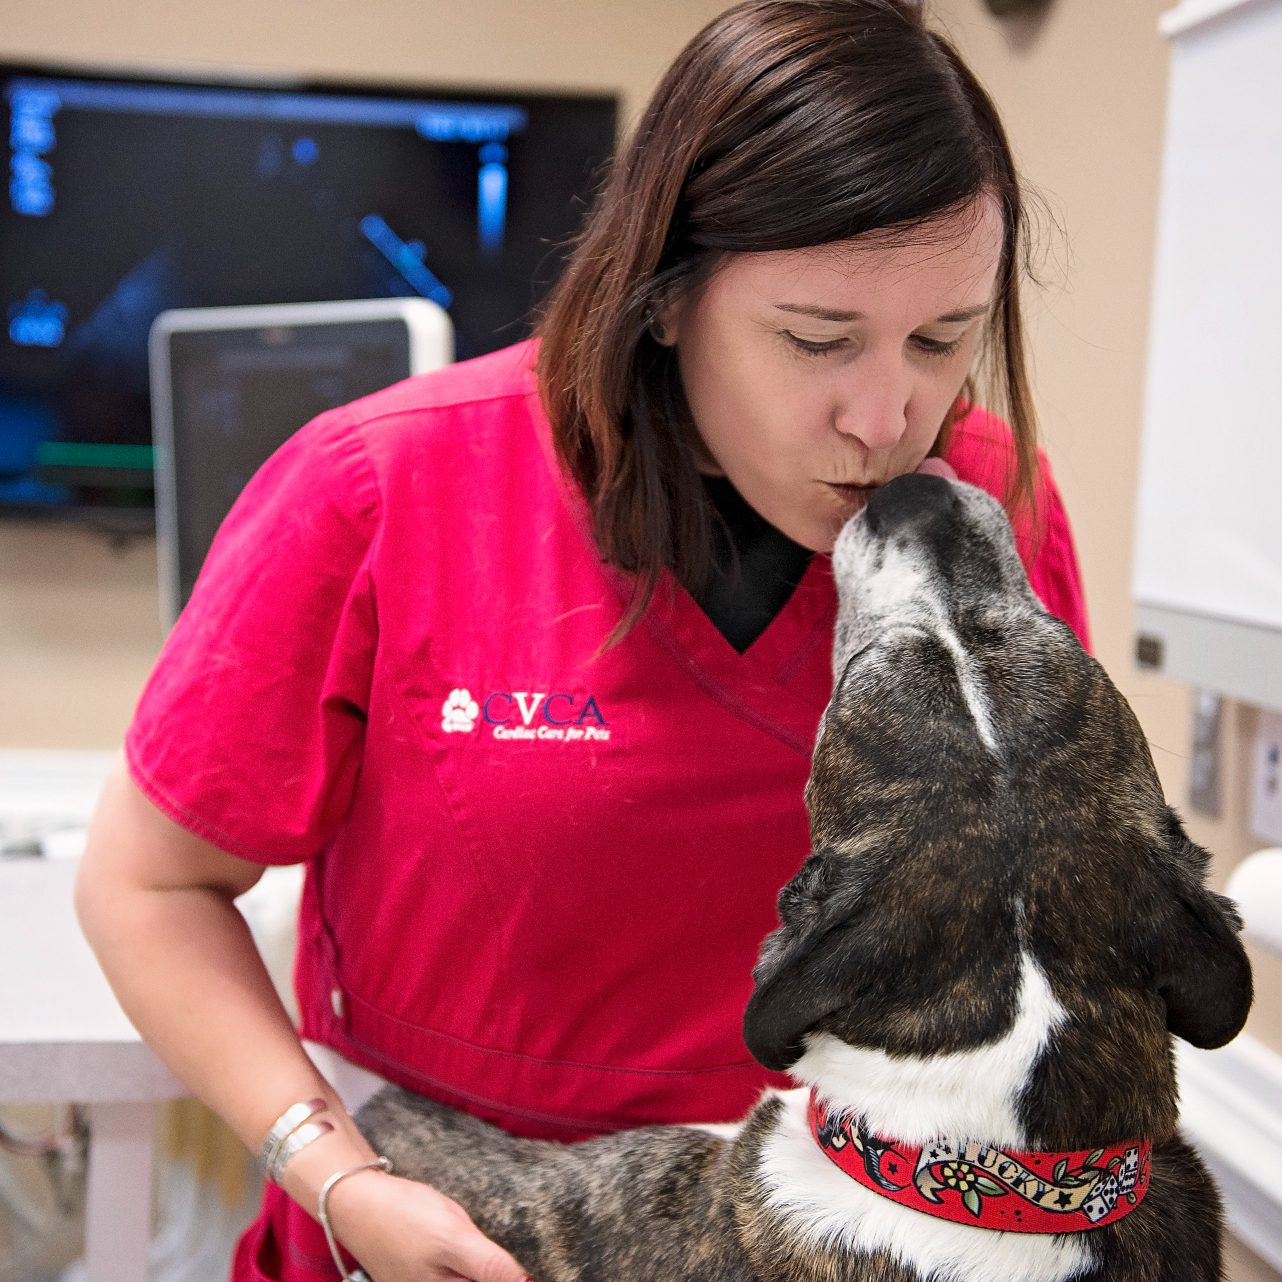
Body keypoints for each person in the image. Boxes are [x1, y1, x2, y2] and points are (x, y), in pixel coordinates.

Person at [76, 2, 1091, 1280]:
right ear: (665, 299)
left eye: (941, 340)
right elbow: (148, 883)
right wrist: (329, 1172)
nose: (884, 417)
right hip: (445, 1230)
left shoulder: (984, 517)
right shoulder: (378, 491)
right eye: (815, 341)